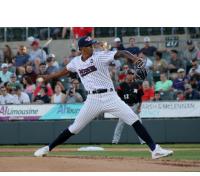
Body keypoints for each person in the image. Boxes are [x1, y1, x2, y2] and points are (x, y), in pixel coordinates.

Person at [34, 36, 173, 159]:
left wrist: (134, 58)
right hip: (92, 100)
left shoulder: (100, 56)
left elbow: (121, 53)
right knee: (75, 128)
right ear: (82, 48)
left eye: (92, 44)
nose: (92, 46)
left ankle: (155, 149)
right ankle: (48, 148)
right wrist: (49, 77)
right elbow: (64, 71)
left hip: (110, 96)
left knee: (134, 119)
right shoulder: (76, 62)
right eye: (89, 45)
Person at [112, 69, 145, 144]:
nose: (130, 75)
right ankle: (115, 141)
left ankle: (143, 141)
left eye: (132, 74)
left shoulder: (137, 84)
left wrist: (139, 107)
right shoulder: (121, 85)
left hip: (135, 105)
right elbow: (118, 97)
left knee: (139, 124)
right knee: (120, 124)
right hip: (125, 106)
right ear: (126, 75)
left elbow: (140, 97)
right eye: (129, 74)